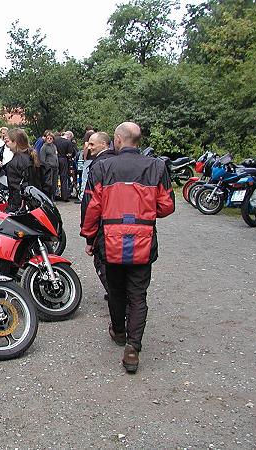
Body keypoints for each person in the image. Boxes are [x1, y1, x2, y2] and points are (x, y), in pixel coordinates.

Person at [80, 122, 175, 374]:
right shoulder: (156, 166)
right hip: (143, 239)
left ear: (118, 140)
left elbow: (92, 207)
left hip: (111, 239)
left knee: (116, 291)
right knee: (138, 295)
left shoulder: (102, 167)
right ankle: (133, 348)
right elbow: (167, 206)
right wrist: (144, 212)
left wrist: (89, 237)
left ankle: (119, 331)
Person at [79, 131, 114, 300]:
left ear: (104, 144)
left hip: (103, 222)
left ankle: (116, 297)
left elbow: (90, 202)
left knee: (102, 261)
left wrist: (89, 236)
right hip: (117, 220)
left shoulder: (98, 165)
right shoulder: (116, 161)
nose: (89, 147)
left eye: (92, 144)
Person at [5, 128, 39, 212]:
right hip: (35, 204)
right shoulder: (33, 156)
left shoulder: (13, 163)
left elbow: (15, 191)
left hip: (22, 207)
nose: (6, 144)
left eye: (8, 141)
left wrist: (11, 210)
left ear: (15, 142)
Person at [54, 130, 77, 201]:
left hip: (55, 159)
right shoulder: (68, 142)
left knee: (54, 177)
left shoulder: (56, 140)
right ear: (69, 136)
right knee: (64, 178)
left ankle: (54, 195)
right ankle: (64, 197)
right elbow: (70, 154)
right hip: (64, 160)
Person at [39, 130, 58, 202]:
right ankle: (47, 200)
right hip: (49, 169)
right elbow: (42, 159)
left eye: (51, 138)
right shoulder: (44, 147)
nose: (49, 139)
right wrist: (48, 167)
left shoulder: (54, 146)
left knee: (54, 185)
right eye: (48, 138)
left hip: (55, 168)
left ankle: (52, 199)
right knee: (48, 185)